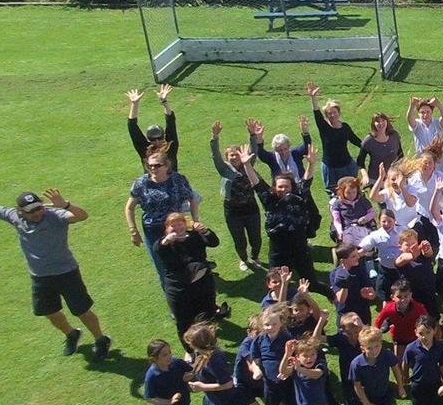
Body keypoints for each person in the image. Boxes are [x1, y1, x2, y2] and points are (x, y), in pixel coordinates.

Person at [0, 182, 111, 359]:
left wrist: (65, 204)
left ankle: (101, 339)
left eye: (39, 208)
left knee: (81, 311)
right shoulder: (13, 216)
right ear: (20, 212)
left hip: (66, 272)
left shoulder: (55, 215)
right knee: (50, 312)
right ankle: (71, 334)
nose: (37, 213)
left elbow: (82, 216)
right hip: (40, 276)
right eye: (31, 211)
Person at [241, 153, 323, 291]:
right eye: (280, 187)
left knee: (312, 284)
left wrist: (311, 163)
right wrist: (247, 164)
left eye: (287, 187)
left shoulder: (298, 196)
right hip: (279, 251)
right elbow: (257, 183)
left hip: (300, 248)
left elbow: (306, 180)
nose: (283, 189)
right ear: (274, 187)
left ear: (292, 187)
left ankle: (334, 298)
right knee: (276, 286)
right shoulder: (269, 200)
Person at [126, 149, 199, 290]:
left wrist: (195, 220)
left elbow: (192, 198)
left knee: (186, 262)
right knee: (163, 268)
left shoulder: (178, 179)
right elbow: (129, 208)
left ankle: (193, 295)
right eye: (150, 166)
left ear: (166, 165)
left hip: (177, 228)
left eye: (157, 165)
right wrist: (133, 230)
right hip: (153, 231)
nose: (153, 168)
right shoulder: (141, 183)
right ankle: (174, 304)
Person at [155, 212, 222, 336]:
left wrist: (204, 230)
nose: (177, 228)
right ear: (167, 228)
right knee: (184, 322)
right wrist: (166, 241)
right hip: (180, 289)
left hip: (203, 285)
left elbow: (214, 242)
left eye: (180, 225)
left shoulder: (194, 236)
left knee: (208, 315)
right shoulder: (164, 243)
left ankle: (209, 343)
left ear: (185, 225)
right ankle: (190, 351)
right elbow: (158, 250)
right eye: (173, 226)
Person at [209, 124, 261, 271]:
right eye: (231, 155)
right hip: (233, 211)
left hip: (251, 208)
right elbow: (215, 155)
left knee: (255, 238)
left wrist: (252, 135)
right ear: (227, 158)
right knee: (239, 240)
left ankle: (255, 257)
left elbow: (254, 151)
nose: (235, 157)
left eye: (237, 154)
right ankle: (243, 259)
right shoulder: (224, 169)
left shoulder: (247, 165)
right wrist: (215, 137)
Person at [306, 84, 363, 193]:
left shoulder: (345, 127)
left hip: (348, 165)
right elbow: (317, 114)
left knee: (352, 191)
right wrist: (313, 97)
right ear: (326, 116)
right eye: (329, 114)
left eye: (334, 112)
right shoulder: (324, 128)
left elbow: (356, 140)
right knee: (334, 194)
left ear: (339, 113)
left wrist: (370, 146)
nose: (332, 115)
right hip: (330, 168)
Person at [127, 84, 178, 169]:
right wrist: (134, 104)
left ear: (164, 136)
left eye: (159, 138)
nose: (157, 142)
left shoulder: (171, 147)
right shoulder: (145, 150)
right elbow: (132, 126)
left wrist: (164, 101)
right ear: (148, 139)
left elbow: (171, 122)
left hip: (171, 182)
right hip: (151, 182)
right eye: (153, 140)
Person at [359, 114, 402, 180]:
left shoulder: (394, 135)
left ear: (387, 121)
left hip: (393, 177)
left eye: (383, 120)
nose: (381, 123)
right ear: (373, 124)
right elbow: (360, 161)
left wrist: (402, 170)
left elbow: (400, 155)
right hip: (376, 179)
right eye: (377, 121)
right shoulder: (369, 141)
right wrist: (364, 175)